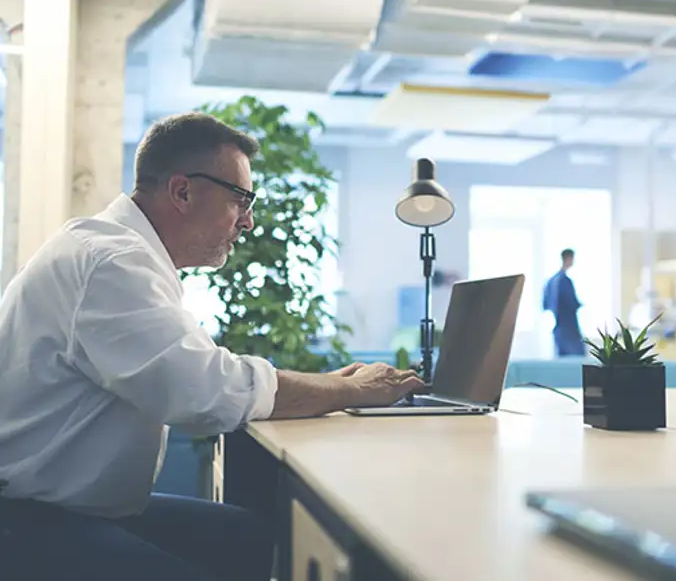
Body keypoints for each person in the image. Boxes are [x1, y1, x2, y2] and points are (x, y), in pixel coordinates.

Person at [0, 112, 423, 581]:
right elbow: (208, 392)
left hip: (71, 505)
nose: (248, 221)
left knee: (245, 537)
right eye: (241, 199)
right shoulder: (113, 263)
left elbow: (205, 371)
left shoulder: (122, 253)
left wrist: (331, 385)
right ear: (182, 191)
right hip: (30, 520)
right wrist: (351, 391)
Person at [542, 248, 586, 357]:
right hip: (568, 327)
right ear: (568, 259)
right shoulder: (564, 281)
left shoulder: (551, 281)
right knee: (576, 361)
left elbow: (546, 304)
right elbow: (571, 303)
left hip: (559, 329)